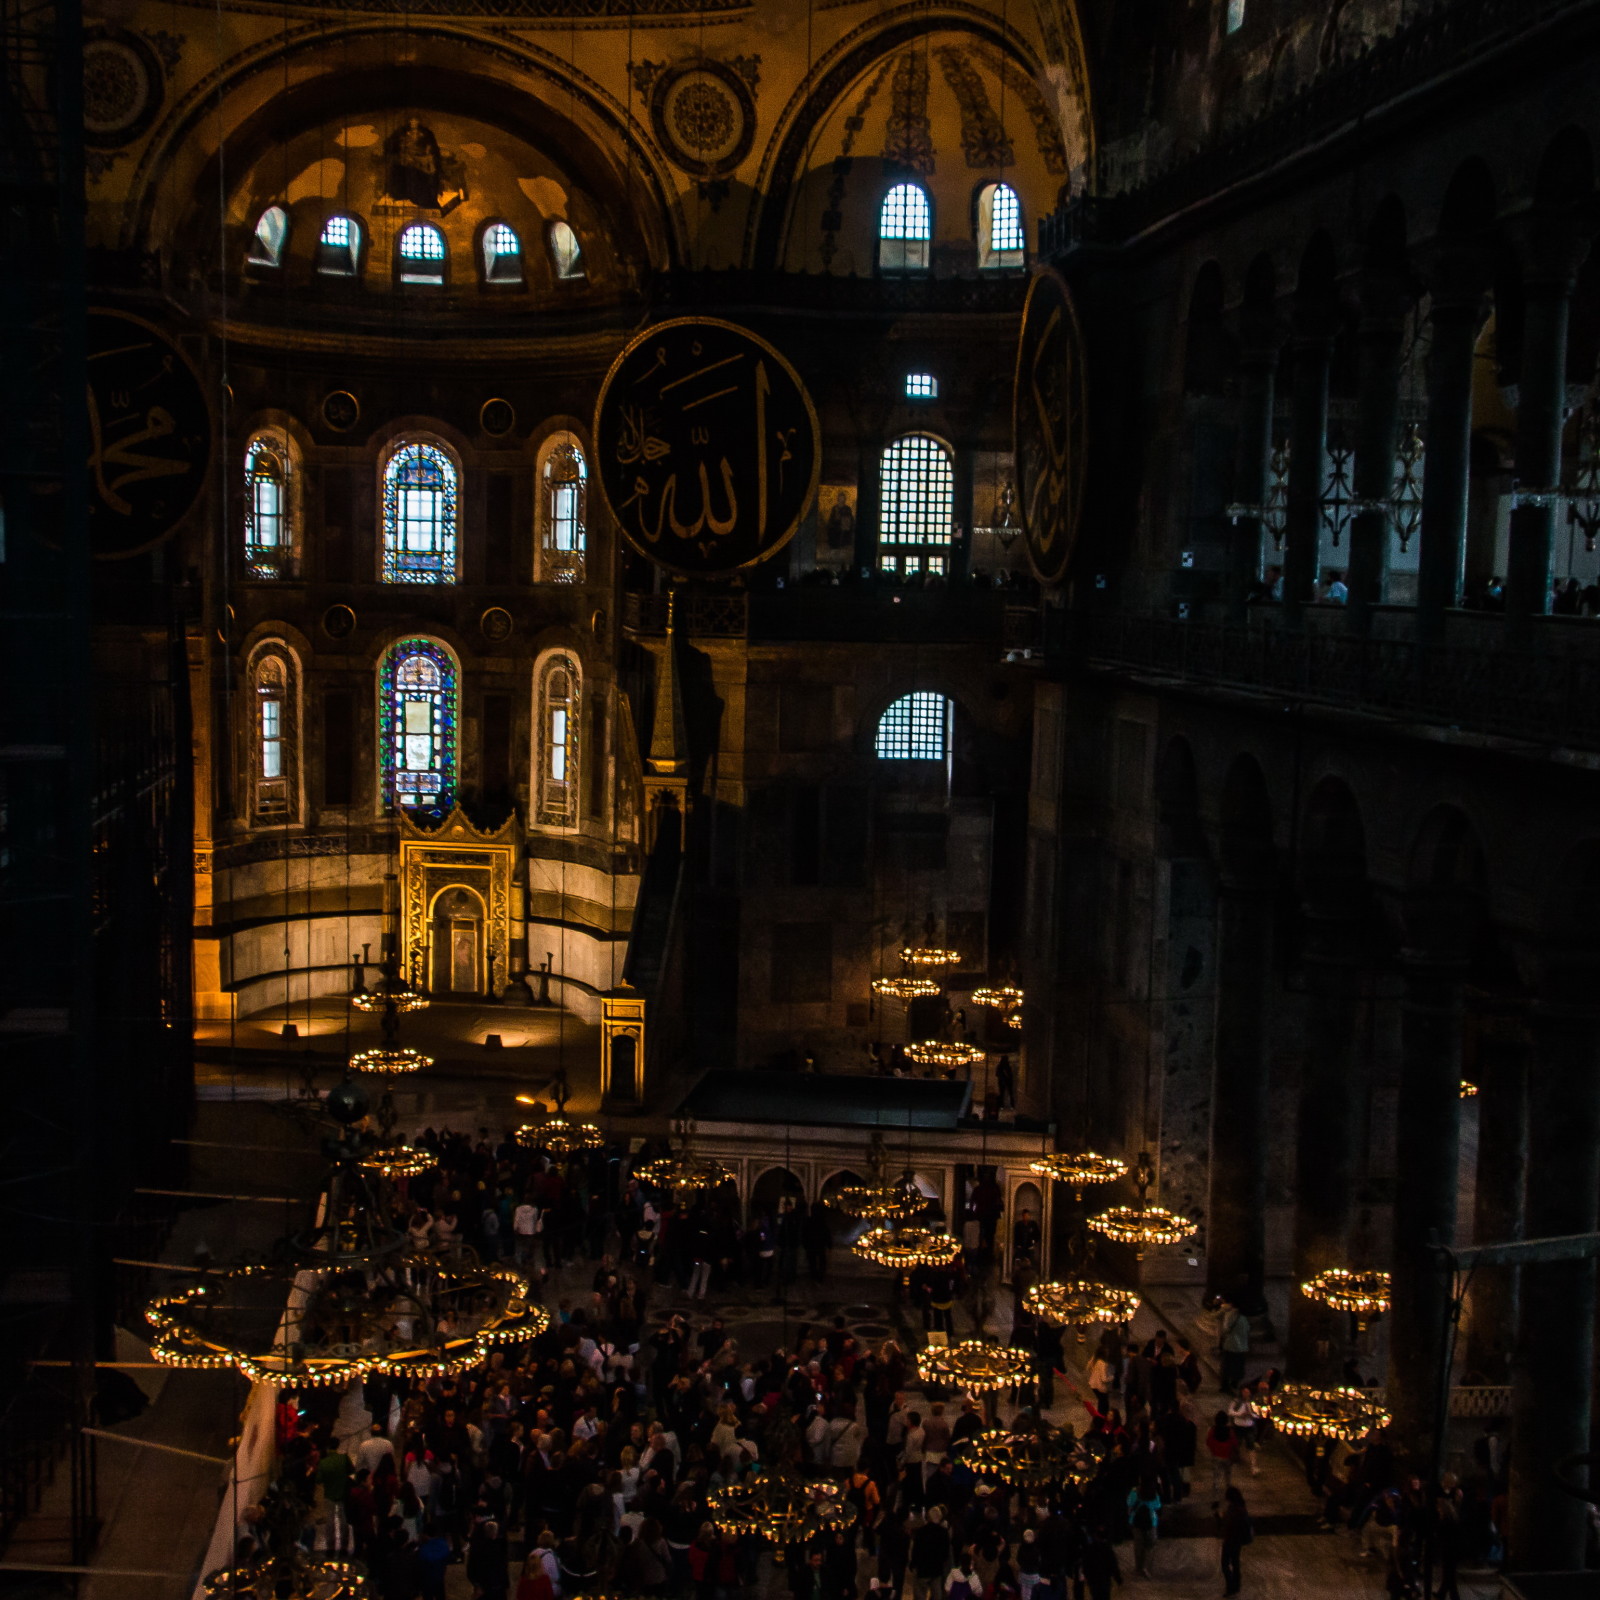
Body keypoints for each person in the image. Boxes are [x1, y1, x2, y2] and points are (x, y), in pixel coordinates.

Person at [1218, 1485, 1252, 1595]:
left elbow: (1227, 1523)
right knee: (1235, 1563)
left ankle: (1231, 1586)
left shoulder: (1234, 1510)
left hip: (1230, 1540)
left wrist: (1220, 1517)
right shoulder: (1241, 1508)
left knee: (1225, 1564)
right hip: (1237, 1541)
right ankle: (1236, 1586)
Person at [1218, 1300, 1250, 1394]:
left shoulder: (1230, 1315)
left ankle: (1225, 1386)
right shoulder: (1244, 1318)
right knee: (1238, 1366)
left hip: (1231, 1345)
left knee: (1227, 1366)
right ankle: (1234, 1383)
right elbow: (1247, 1330)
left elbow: (1225, 1329)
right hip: (1242, 1347)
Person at [1206, 1410, 1240, 1498]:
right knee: (1228, 1476)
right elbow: (1235, 1443)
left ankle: (1216, 1496)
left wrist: (1213, 1450)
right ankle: (1228, 1494)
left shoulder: (1213, 1430)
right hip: (1227, 1457)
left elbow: (1209, 1442)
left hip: (1216, 1456)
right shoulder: (1230, 1431)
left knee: (1216, 1477)